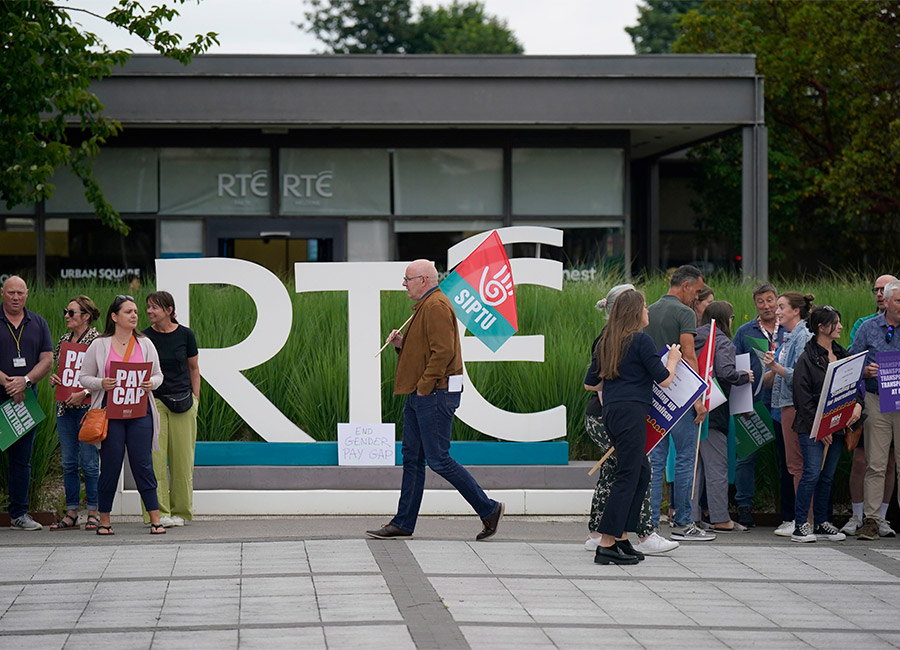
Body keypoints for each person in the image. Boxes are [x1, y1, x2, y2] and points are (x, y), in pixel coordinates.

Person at [366, 260, 504, 541]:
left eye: (407, 279)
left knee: (438, 459)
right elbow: (427, 350)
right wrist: (402, 345)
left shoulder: (437, 306)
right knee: (413, 459)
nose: (403, 284)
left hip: (434, 393)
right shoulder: (428, 306)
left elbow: (442, 353)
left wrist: (424, 387)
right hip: (425, 393)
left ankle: (489, 509)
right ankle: (403, 522)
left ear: (424, 280)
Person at [584, 284, 679, 556]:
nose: (648, 311)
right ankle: (606, 543)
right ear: (635, 313)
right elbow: (665, 379)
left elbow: (591, 385)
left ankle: (621, 537)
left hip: (613, 412)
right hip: (631, 412)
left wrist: (618, 381)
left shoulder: (608, 341)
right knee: (628, 475)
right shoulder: (640, 341)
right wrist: (673, 359)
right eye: (645, 307)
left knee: (640, 471)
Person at [79, 295, 166, 535]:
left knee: (143, 465)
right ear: (114, 317)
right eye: (128, 311)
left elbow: (159, 375)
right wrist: (101, 382)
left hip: (140, 412)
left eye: (136, 311)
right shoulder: (100, 344)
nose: (135, 315)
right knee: (110, 465)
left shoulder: (145, 343)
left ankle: (155, 518)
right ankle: (104, 520)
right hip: (111, 414)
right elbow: (83, 377)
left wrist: (152, 383)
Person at [644, 264, 713, 542]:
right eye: (696, 291)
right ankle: (683, 522)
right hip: (679, 397)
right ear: (685, 286)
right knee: (685, 459)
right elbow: (689, 355)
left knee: (655, 461)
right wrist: (698, 399)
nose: (696, 298)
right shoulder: (684, 312)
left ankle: (648, 523)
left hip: (652, 397)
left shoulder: (650, 309)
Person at [790, 306, 862, 543]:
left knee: (827, 476)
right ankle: (801, 524)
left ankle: (822, 522)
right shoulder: (807, 359)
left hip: (838, 426)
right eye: (836, 322)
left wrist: (858, 405)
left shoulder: (842, 355)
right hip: (812, 428)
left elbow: (854, 387)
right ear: (822, 327)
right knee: (811, 473)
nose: (841, 326)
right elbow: (801, 398)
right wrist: (819, 428)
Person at [843, 274, 898, 536]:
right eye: (898, 301)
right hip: (877, 399)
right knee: (875, 462)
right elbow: (851, 363)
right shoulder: (867, 328)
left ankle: (887, 518)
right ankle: (872, 520)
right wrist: (866, 371)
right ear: (886, 302)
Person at [691, 301, 753, 533]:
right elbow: (726, 372)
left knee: (693, 466)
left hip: (689, 407)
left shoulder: (693, 337)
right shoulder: (722, 341)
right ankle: (720, 518)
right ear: (725, 319)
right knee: (716, 466)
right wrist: (745, 376)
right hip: (713, 409)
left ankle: (691, 517)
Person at [733, 282, 788, 528]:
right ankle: (744, 507)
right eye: (760, 301)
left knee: (786, 458)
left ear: (777, 300)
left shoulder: (789, 329)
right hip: (753, 403)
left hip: (784, 403)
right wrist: (740, 403)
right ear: (754, 304)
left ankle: (788, 510)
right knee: (746, 458)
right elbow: (735, 367)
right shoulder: (745, 332)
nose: (766, 306)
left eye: (769, 300)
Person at [143, 291, 200, 528]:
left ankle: (182, 512)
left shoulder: (186, 335)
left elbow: (194, 368)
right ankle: (158, 513)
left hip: (184, 402)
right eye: (147, 307)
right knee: (155, 459)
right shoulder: (144, 338)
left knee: (183, 461)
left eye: (154, 307)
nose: (149, 311)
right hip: (154, 401)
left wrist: (196, 399)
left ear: (168, 310)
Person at [0, 276, 53, 531]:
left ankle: (19, 514)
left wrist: (26, 381)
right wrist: (7, 382)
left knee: (22, 459)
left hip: (25, 399)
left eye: (20, 292)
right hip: (2, 394)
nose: (15, 297)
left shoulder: (38, 323)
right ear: (2, 293)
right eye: (11, 292)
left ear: (27, 294)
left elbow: (47, 360)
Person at [762, 292, 815, 536]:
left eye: (782, 307)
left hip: (794, 406)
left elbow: (800, 376)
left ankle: (803, 520)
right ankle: (802, 519)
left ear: (796, 311)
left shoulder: (802, 337)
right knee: (797, 465)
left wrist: (775, 367)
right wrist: (772, 370)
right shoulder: (790, 337)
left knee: (798, 466)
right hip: (786, 404)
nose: (777, 310)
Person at [47, 295, 102, 531]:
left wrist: (85, 391)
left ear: (86, 316)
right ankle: (71, 513)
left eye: (71, 312)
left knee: (89, 463)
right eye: (66, 312)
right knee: (69, 462)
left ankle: (93, 512)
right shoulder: (63, 339)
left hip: (88, 408)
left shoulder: (98, 341)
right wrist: (55, 379)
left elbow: (104, 376)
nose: (67, 316)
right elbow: (61, 369)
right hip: (65, 407)